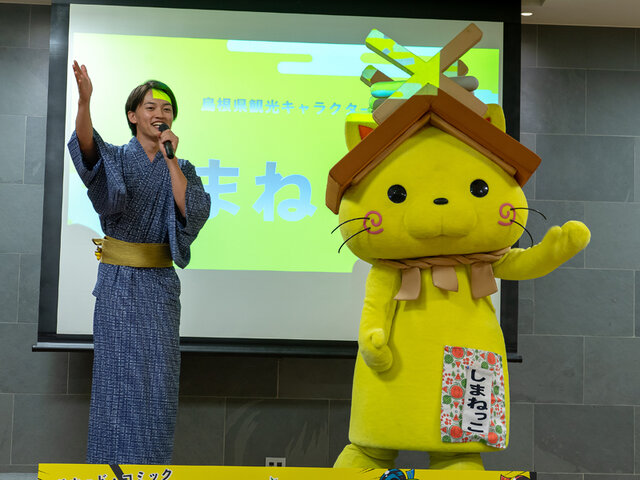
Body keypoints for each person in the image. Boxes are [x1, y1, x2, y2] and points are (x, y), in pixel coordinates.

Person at [68, 61, 211, 464]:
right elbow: (87, 148)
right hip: (117, 284)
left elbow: (192, 212)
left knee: (158, 383)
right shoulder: (116, 157)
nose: (159, 114)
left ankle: (150, 467)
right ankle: (109, 468)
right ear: (133, 116)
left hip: (160, 288)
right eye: (150, 107)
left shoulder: (183, 168)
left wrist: (170, 162)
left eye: (166, 108)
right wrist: (84, 101)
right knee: (116, 381)